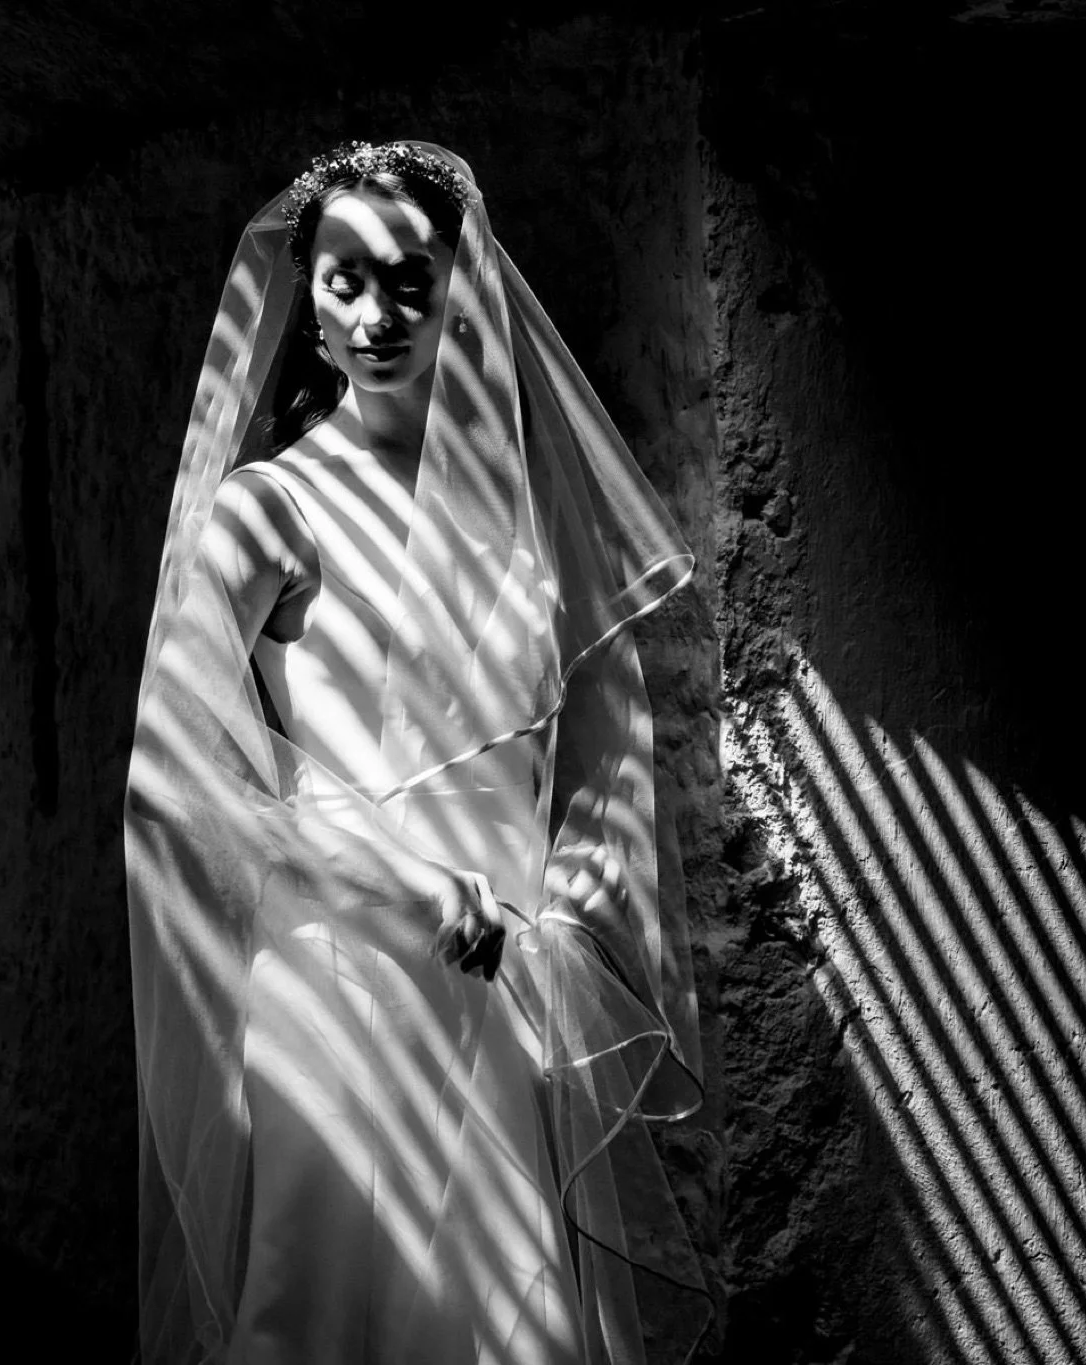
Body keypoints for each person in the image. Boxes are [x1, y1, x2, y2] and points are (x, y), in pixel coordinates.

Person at [126, 142, 709, 1365]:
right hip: (342, 983)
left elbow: (598, 749)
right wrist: (402, 884)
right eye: (342, 282)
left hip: (505, 990)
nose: (374, 314)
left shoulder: (523, 509)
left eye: (407, 280)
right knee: (331, 1326)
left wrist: (573, 918)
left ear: (461, 288)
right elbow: (171, 774)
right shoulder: (270, 509)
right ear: (305, 304)